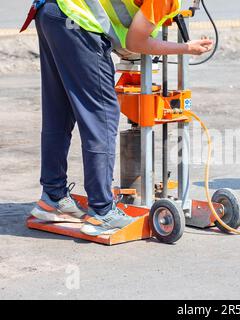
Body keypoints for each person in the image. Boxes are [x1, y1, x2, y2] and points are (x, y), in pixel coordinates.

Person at [28, 0, 213, 235]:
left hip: (51, 12)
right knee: (101, 116)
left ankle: (52, 197)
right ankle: (102, 212)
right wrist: (186, 48)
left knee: (59, 110)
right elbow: (135, 42)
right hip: (77, 20)